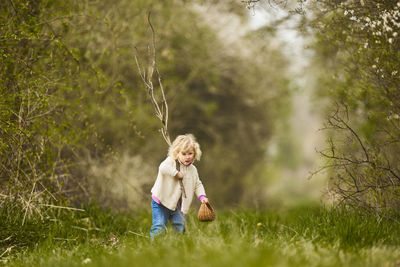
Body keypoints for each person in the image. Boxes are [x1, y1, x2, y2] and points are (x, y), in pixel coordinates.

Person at [150, 134, 209, 238]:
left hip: (179, 205)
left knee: (180, 226)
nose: (187, 157)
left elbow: (197, 184)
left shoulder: (193, 170)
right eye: (184, 154)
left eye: (190, 153)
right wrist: (175, 173)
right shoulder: (171, 162)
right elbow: (162, 168)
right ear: (177, 153)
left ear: (195, 154)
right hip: (161, 201)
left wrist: (202, 196)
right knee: (159, 225)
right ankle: (156, 244)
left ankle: (178, 245)